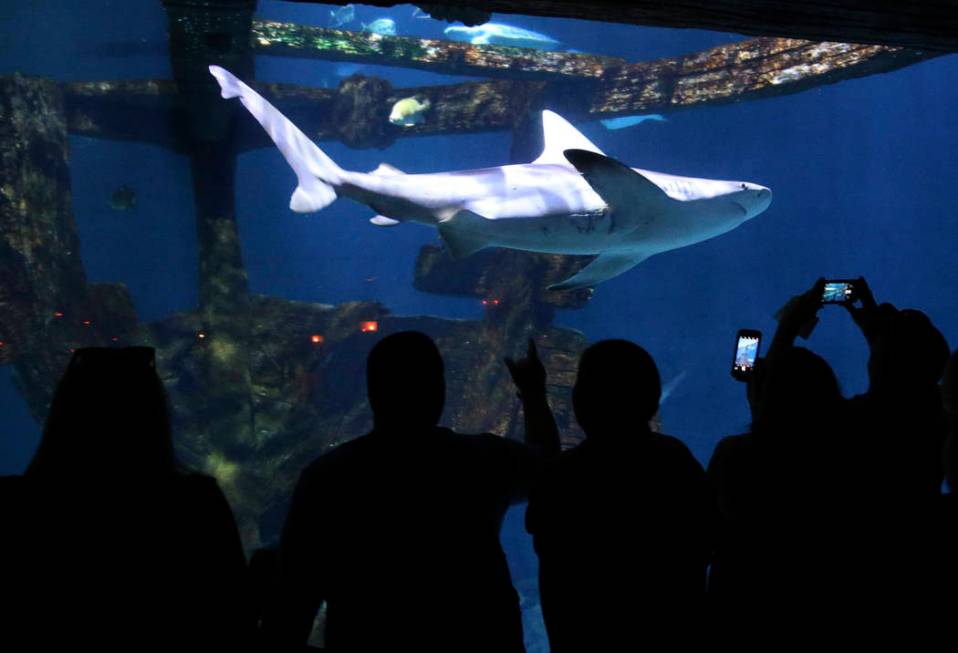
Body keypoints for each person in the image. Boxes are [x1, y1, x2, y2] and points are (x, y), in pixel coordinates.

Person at [263, 331, 560, 652]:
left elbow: (291, 606)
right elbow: (549, 469)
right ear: (440, 391)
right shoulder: (482, 459)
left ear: (373, 393)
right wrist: (532, 393)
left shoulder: (327, 478)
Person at [1, 347, 249, 650]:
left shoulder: (13, 502)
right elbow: (232, 609)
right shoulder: (196, 500)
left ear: (64, 409)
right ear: (155, 410)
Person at [525, 339, 713, 652]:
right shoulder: (675, 461)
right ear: (652, 403)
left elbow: (542, 471)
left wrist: (532, 395)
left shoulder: (564, 476)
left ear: (579, 402)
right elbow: (708, 537)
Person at [707, 281, 855, 637]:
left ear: (758, 395)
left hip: (738, 613)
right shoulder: (846, 464)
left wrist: (787, 328)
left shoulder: (736, 457)